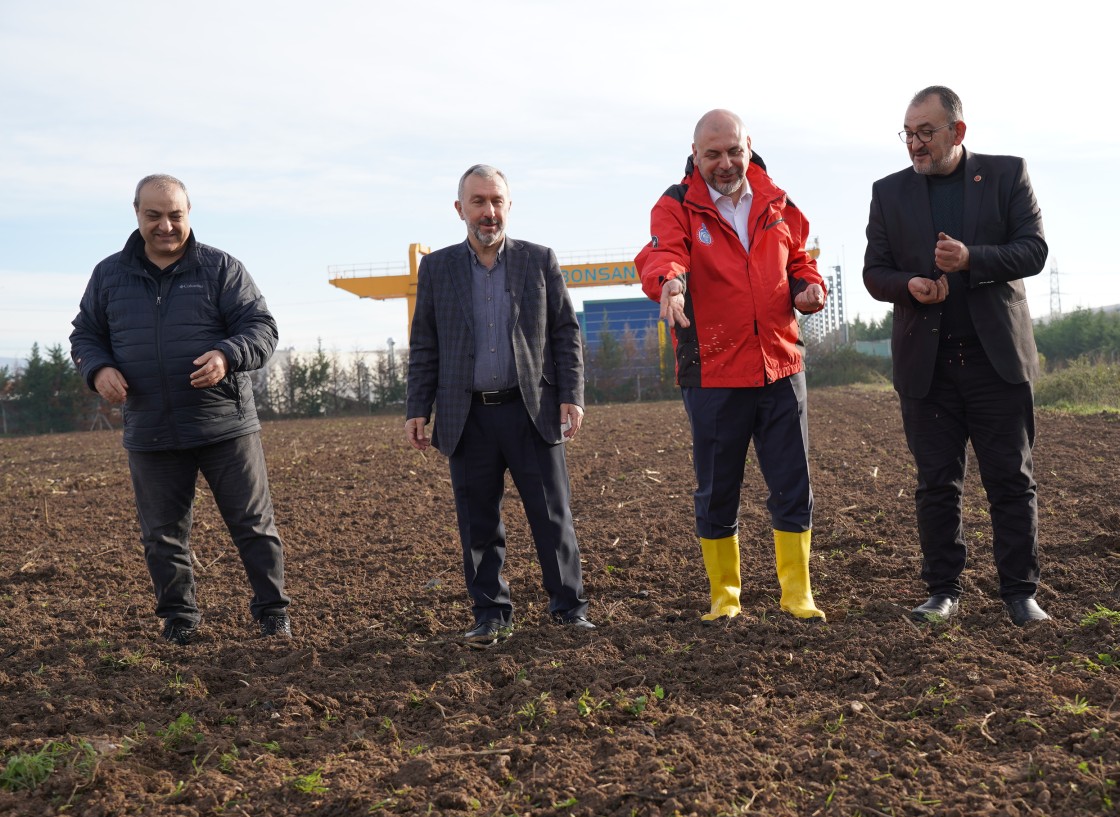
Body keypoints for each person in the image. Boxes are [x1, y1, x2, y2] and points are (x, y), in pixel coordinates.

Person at [70, 174, 292, 645]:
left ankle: (273, 611)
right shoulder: (109, 276)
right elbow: (85, 335)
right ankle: (180, 618)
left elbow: (262, 327)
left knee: (253, 525)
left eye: (175, 215)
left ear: (188, 213)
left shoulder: (220, 268)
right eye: (154, 215)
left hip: (225, 425)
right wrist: (98, 369)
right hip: (151, 428)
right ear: (137, 215)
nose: (166, 225)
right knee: (163, 535)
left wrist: (226, 355)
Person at [863, 85, 1051, 626]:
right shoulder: (888, 192)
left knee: (1011, 481)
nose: (915, 144)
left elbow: (1033, 250)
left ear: (957, 132)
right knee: (936, 484)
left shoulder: (1006, 175)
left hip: (996, 361)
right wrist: (911, 285)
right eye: (909, 133)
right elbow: (875, 272)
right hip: (929, 367)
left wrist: (972, 259)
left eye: (926, 132)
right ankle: (942, 592)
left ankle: (1020, 594)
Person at [635, 109, 828, 623]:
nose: (724, 163)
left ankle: (797, 594)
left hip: (782, 366)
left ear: (749, 147)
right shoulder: (676, 206)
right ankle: (725, 597)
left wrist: (811, 288)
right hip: (714, 371)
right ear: (695, 156)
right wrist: (670, 283)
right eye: (712, 154)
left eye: (733, 151)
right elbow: (662, 255)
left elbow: (800, 260)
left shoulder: (778, 202)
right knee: (718, 488)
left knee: (793, 482)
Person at [405, 164, 591, 647]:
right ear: (459, 209)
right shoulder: (438, 269)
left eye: (496, 201)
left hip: (532, 410)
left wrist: (571, 394)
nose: (489, 212)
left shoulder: (538, 260)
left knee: (552, 516)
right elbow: (425, 342)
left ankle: (568, 608)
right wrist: (416, 407)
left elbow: (565, 333)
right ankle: (491, 613)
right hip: (466, 415)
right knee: (478, 521)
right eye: (478, 202)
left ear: (509, 205)